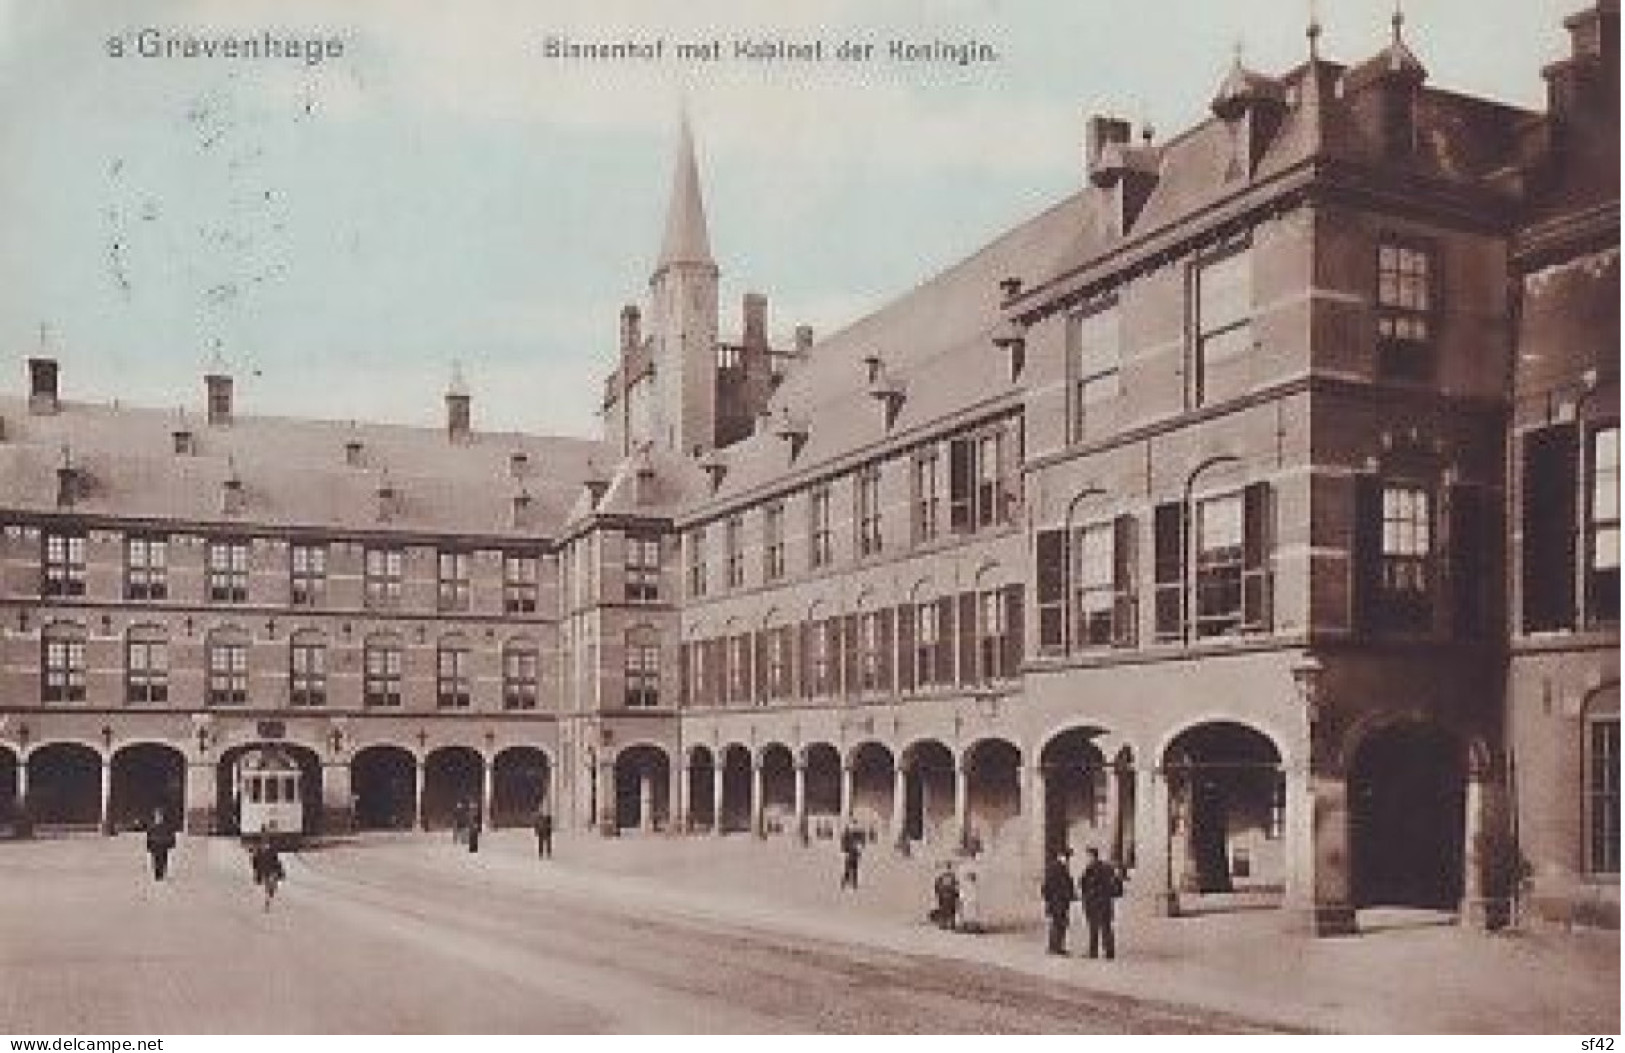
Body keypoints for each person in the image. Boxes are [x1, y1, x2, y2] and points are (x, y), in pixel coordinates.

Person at [1077, 847, 1123, 960]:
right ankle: (1109, 952)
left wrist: (1087, 895)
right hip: (1106, 903)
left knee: (1094, 928)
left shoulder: (1091, 869)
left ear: (1092, 856)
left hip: (1094, 903)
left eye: (1088, 856)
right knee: (1106, 927)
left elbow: (1083, 884)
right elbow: (1116, 884)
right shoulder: (1107, 868)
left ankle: (1093, 952)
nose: (1087, 859)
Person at [1041, 848, 1077, 955]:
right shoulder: (1056, 868)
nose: (1067, 860)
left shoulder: (1059, 868)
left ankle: (1056, 947)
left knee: (1059, 924)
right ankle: (1055, 947)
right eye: (1066, 857)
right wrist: (1051, 899)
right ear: (1060, 856)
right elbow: (1047, 887)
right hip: (1058, 902)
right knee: (1058, 924)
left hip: (1059, 902)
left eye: (1068, 858)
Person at [250, 829, 285, 912]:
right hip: (265, 869)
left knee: (270, 883)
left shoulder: (270, 847)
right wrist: (256, 872)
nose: (264, 837)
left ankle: (269, 897)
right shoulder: (259, 849)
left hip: (270, 868)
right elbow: (255, 861)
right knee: (268, 884)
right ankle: (268, 899)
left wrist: (280, 869)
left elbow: (275, 859)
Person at [144, 809, 176, 882]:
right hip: (155, 845)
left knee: (164, 860)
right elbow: (149, 836)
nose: (158, 818)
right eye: (157, 816)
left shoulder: (166, 825)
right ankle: (157, 874)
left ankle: (162, 873)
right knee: (156, 860)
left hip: (163, 845)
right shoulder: (152, 825)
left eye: (159, 816)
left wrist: (172, 844)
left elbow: (171, 834)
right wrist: (148, 846)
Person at [957, 852, 983, 934]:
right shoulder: (964, 865)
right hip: (966, 888)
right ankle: (965, 923)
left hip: (970, 888)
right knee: (967, 903)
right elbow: (968, 876)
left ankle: (971, 923)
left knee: (972, 903)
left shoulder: (972, 864)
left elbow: (975, 876)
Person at [930, 861, 960, 930]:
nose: (948, 869)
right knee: (945, 910)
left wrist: (956, 894)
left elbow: (956, 887)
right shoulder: (943, 877)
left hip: (948, 896)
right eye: (948, 867)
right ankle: (945, 923)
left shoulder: (952, 877)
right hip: (945, 896)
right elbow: (937, 886)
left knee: (950, 910)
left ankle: (949, 923)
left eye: (949, 867)